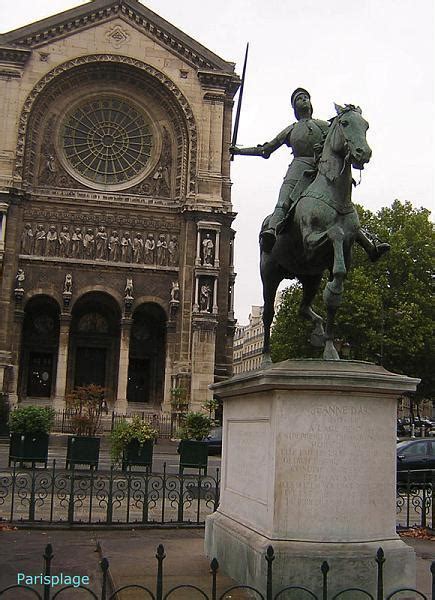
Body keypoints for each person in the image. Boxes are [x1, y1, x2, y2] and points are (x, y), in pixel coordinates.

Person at [230, 88, 389, 261]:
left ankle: (369, 246)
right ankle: (271, 231)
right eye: (299, 99)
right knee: (283, 201)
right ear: (294, 107)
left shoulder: (324, 125)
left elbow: (340, 137)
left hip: (322, 168)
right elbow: (265, 149)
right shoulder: (291, 129)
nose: (304, 100)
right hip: (298, 169)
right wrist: (239, 151)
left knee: (343, 202)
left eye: (306, 97)